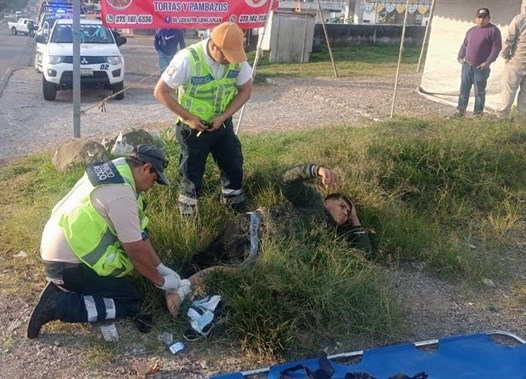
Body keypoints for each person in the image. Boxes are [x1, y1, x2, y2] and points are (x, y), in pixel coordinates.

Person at [166, 163, 373, 316]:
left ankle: (176, 287)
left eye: (348, 212)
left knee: (212, 265)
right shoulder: (313, 203)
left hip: (256, 242)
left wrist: (355, 218)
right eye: (342, 206)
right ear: (328, 200)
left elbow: (364, 256)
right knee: (233, 268)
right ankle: (180, 291)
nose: (345, 212)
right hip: (253, 227)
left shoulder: (329, 235)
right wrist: (316, 170)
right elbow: (285, 180)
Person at [27, 144, 186, 339]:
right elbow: (135, 251)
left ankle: (69, 291)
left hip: (58, 253)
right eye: (155, 179)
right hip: (67, 266)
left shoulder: (116, 169)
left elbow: (140, 234)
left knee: (120, 289)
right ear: (145, 168)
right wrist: (161, 282)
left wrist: (160, 267)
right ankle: (58, 304)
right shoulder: (121, 193)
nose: (153, 186)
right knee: (130, 301)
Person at [154, 22, 253, 216]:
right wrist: (188, 117)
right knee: (191, 172)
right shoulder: (187, 59)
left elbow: (245, 91)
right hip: (192, 129)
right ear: (214, 46)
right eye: (227, 56)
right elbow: (161, 92)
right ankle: (188, 214)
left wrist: (224, 117)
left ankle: (233, 206)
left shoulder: (238, 60)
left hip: (222, 124)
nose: (231, 61)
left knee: (233, 163)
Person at [454, 8, 502, 117]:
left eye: (484, 17)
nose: (481, 20)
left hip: (480, 67)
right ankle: (460, 111)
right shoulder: (471, 31)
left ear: (489, 18)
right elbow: (465, 45)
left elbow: (496, 48)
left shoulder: (493, 30)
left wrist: (487, 62)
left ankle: (478, 113)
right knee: (464, 90)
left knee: (479, 91)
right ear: (476, 18)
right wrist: (460, 56)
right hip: (467, 65)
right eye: (479, 17)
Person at [496, 3, 526, 118]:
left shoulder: (519, 19)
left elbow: (509, 39)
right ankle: (522, 120)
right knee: (525, 95)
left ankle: (502, 117)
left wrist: (505, 55)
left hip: (516, 60)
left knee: (508, 91)